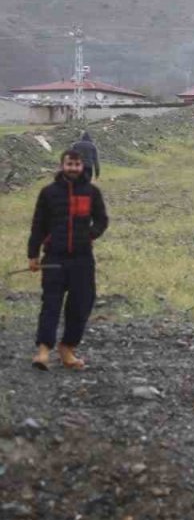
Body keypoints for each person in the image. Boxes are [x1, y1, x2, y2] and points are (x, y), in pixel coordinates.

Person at [28, 149, 109, 371]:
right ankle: (43, 352)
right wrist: (32, 255)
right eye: (69, 164)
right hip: (54, 258)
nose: (73, 168)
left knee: (81, 304)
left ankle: (67, 349)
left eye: (76, 164)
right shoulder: (48, 193)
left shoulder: (92, 192)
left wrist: (89, 235)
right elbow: (38, 225)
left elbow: (102, 220)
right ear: (62, 165)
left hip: (82, 260)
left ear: (82, 166)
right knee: (51, 304)